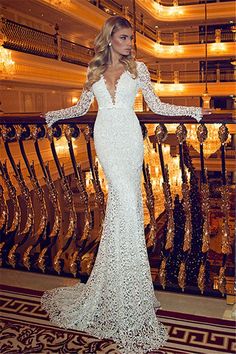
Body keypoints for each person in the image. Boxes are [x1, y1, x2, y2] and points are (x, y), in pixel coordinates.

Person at [41, 16, 211, 354]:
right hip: (105, 139)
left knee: (128, 211)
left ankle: (132, 292)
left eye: (131, 38)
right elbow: (80, 107)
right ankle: (125, 291)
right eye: (123, 37)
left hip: (131, 141)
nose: (130, 43)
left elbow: (158, 105)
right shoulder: (94, 72)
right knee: (124, 208)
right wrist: (55, 115)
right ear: (109, 39)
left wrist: (192, 110)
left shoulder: (140, 70)